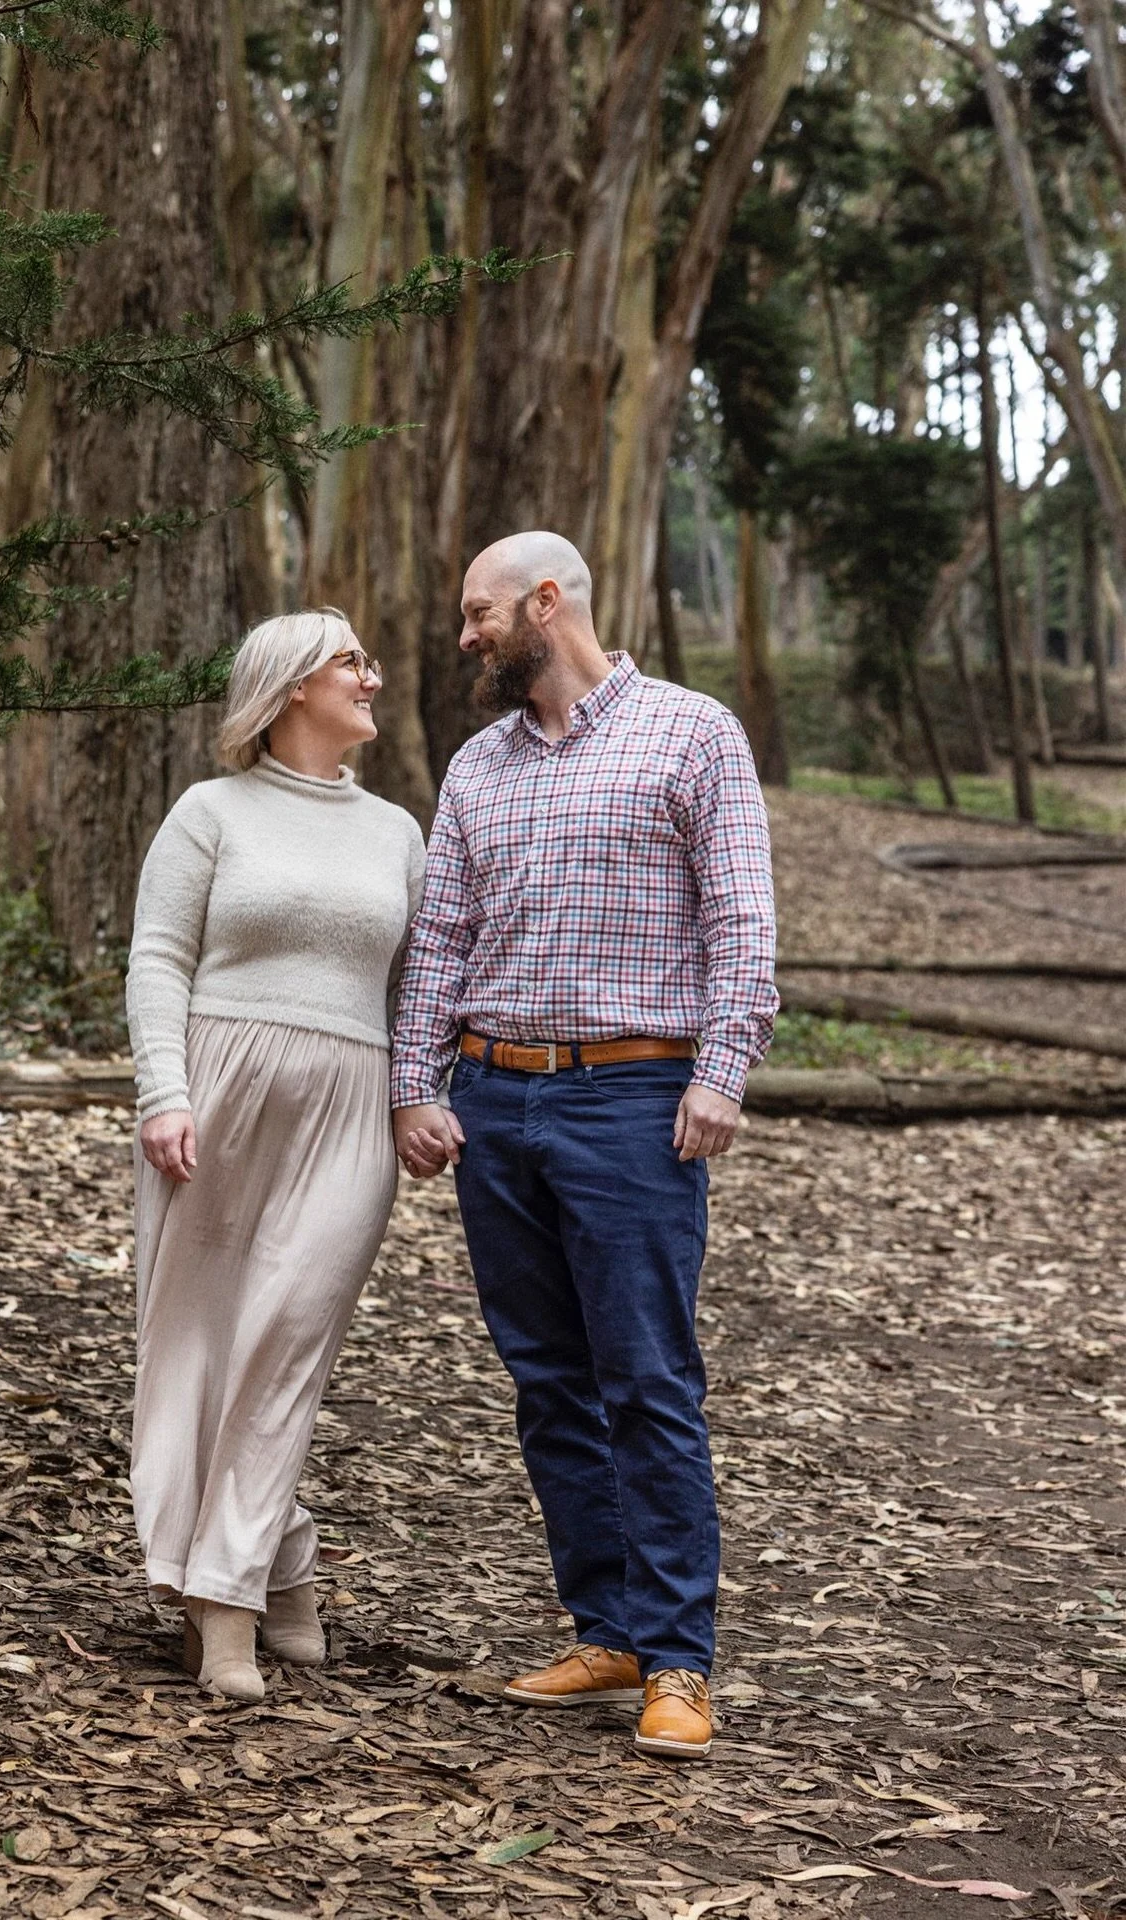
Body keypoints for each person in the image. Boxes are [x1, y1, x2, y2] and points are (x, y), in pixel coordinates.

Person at [391, 532, 777, 1761]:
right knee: (549, 1382)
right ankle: (604, 1629)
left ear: (545, 605)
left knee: (647, 1380)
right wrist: (416, 1087)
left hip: (632, 1102)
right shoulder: (475, 769)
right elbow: (440, 940)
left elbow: (743, 920)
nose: (465, 636)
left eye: (479, 613)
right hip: (495, 1102)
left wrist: (721, 1074)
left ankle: (678, 1661)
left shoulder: (691, 732)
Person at [126, 609, 425, 1703]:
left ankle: (227, 1604)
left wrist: (418, 1097)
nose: (374, 677)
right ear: (293, 684)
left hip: (348, 1114)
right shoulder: (210, 813)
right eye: (354, 661)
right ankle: (270, 1574)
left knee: (284, 1346)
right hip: (215, 1099)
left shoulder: (397, 832)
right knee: (200, 1348)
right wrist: (165, 1092)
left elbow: (420, 990)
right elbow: (157, 958)